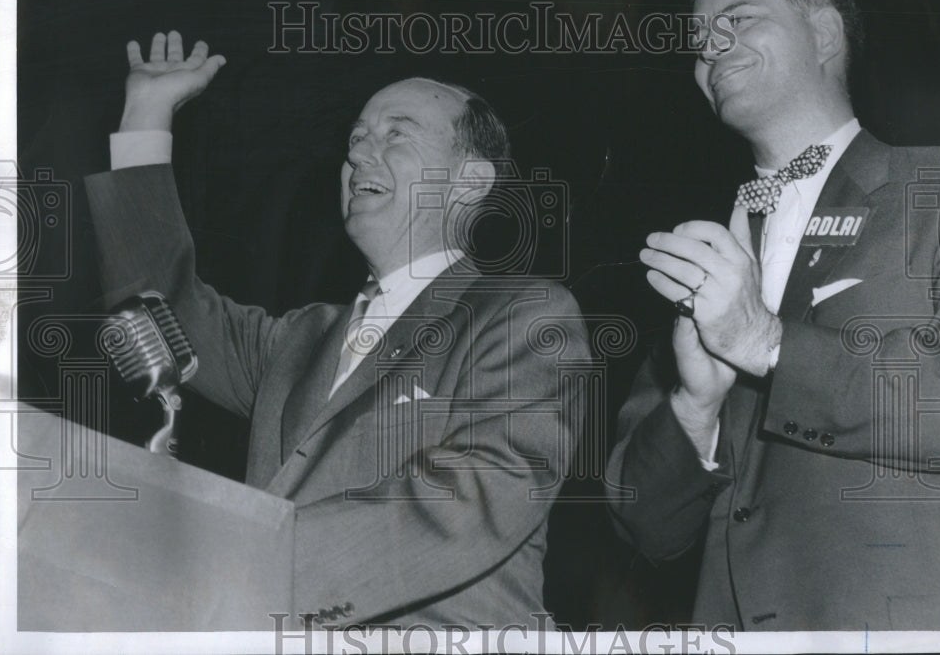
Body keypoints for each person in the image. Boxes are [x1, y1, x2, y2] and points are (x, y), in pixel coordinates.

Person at [84, 31, 588, 630]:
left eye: (397, 134)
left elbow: (479, 493)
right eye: (356, 138)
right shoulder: (301, 339)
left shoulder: (523, 314)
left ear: (471, 182)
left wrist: (249, 567)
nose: (360, 155)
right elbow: (160, 312)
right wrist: (147, 114)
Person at [606, 0, 940, 631]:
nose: (710, 47)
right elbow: (643, 525)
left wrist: (766, 343)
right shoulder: (708, 262)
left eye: (738, 19)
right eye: (697, 38)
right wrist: (692, 407)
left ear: (825, 32)